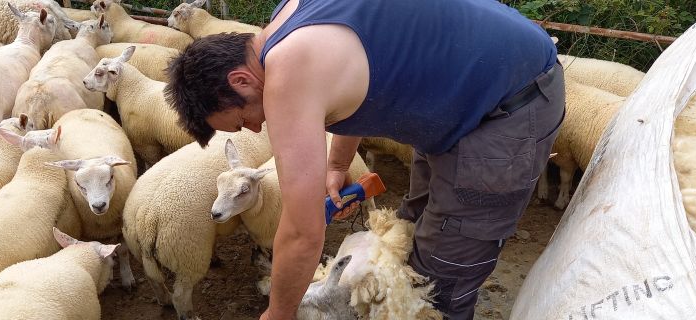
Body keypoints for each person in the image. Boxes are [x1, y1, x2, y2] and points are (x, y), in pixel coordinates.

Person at [164, 0, 565, 319]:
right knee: (412, 227)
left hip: (510, 100)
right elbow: (350, 89)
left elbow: (302, 233)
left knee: (441, 280)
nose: (255, 129)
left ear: (240, 80)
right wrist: (338, 164)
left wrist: (278, 314)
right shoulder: (288, 20)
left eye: (243, 119)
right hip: (463, 90)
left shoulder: (287, 72)